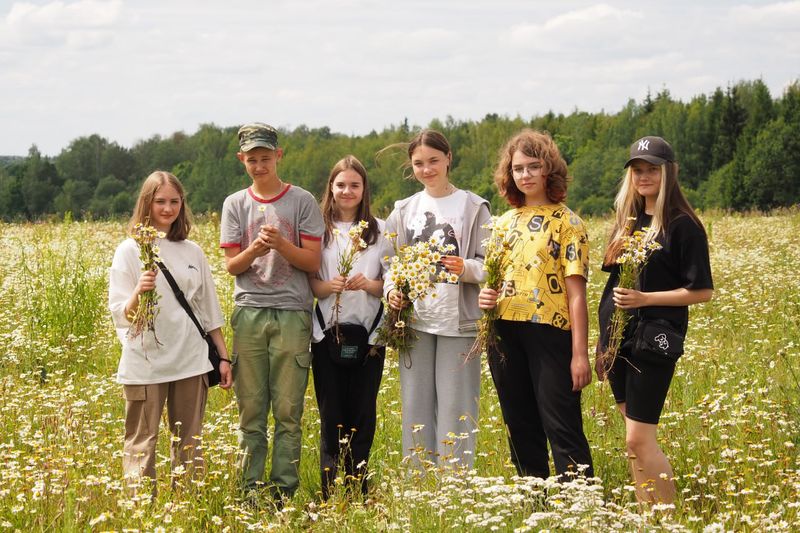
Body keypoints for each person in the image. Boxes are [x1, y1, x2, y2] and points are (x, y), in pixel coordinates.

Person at [596, 136, 713, 504]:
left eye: (652, 169)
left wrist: (645, 299)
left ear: (668, 173)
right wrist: (603, 341)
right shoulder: (628, 221)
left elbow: (701, 290)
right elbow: (613, 284)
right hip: (617, 339)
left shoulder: (683, 226)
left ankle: (668, 517)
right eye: (638, 170)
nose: (644, 176)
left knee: (638, 438)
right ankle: (647, 514)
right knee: (633, 439)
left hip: (654, 339)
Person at [477, 129, 594, 480]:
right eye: (517, 169)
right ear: (509, 175)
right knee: (519, 423)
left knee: (561, 424)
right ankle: (534, 501)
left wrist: (580, 354)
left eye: (533, 166)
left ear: (548, 170)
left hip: (551, 334)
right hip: (504, 333)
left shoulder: (569, 223)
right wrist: (487, 297)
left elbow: (576, 295)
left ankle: (581, 503)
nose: (525, 175)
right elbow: (493, 281)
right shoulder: (501, 224)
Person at [108, 170, 232, 489]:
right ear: (146, 204)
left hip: (191, 362)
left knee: (189, 444)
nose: (167, 208)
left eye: (174, 201)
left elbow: (208, 309)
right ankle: (140, 513)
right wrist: (139, 289)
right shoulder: (129, 250)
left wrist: (223, 357)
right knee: (141, 445)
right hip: (145, 364)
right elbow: (121, 314)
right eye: (160, 201)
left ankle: (186, 509)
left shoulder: (192, 251)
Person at [220, 123, 324, 500]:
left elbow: (312, 262)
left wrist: (281, 244)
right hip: (249, 311)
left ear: (279, 156)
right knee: (251, 411)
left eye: (265, 158)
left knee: (288, 411)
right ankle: (250, 490)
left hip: (293, 313)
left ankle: (284, 492)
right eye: (252, 159)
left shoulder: (302, 202)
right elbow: (233, 265)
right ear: (241, 160)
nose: (259, 165)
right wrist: (255, 251)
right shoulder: (235, 203)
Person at [384, 129, 491, 469]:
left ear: (448, 159)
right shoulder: (404, 209)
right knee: (415, 406)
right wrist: (391, 292)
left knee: (457, 408)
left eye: (433, 161)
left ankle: (455, 485)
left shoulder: (474, 207)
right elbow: (389, 262)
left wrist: (466, 269)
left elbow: (491, 264)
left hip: (458, 322)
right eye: (419, 163)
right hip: (414, 322)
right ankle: (419, 484)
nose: (427, 169)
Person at [308, 155, 392, 499]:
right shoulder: (317, 229)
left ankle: (359, 488)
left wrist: (367, 284)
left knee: (362, 414)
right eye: (340, 184)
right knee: (331, 415)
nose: (347, 191)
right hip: (325, 334)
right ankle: (329, 492)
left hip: (370, 336)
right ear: (331, 187)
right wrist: (332, 287)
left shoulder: (381, 230)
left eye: (354, 185)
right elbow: (311, 283)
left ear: (364, 189)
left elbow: (390, 282)